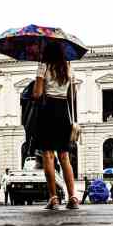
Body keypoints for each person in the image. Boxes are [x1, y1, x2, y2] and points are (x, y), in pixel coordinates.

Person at [32, 42, 78, 210]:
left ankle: (53, 198)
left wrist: (40, 85)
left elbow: (37, 94)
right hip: (63, 112)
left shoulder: (43, 65)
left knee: (48, 157)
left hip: (47, 111)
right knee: (64, 157)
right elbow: (72, 94)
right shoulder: (68, 66)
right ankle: (73, 197)